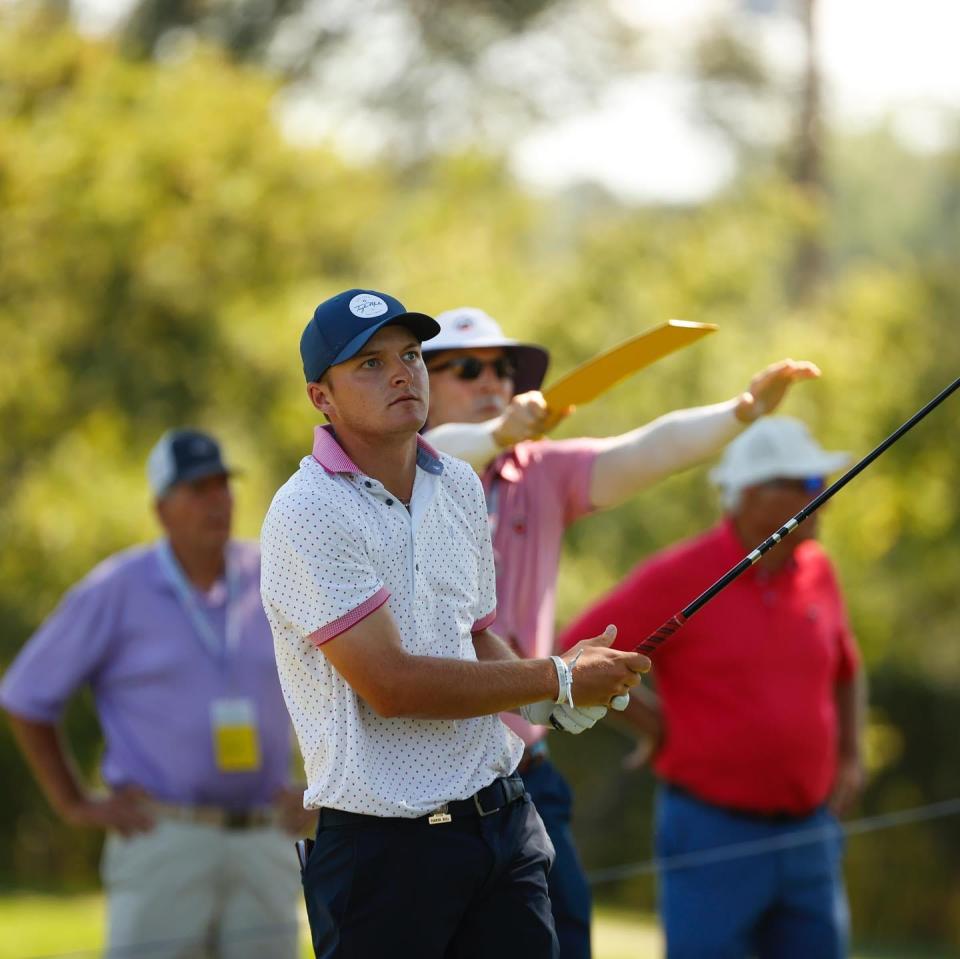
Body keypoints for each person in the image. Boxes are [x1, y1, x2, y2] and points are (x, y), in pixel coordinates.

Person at [258, 288, 651, 959]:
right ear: (320, 397)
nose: (402, 373)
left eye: (410, 355)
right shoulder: (307, 510)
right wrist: (554, 677)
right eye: (370, 364)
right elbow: (393, 685)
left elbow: (471, 635)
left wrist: (546, 699)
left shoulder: (460, 484)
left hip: (501, 823)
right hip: (383, 853)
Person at [421, 305, 821, 958]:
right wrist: (496, 431)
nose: (491, 380)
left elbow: (644, 450)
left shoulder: (540, 472)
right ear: (420, 382)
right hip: (423, 781)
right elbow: (430, 455)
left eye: (503, 369)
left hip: (523, 771)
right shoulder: (395, 473)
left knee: (566, 938)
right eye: (467, 368)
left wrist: (740, 412)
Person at [559, 416, 867, 959]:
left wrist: (851, 755)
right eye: (811, 485)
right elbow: (577, 653)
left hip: (810, 835)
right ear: (752, 494)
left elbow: (847, 668)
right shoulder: (683, 573)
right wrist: (651, 722)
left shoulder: (820, 570)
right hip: (710, 829)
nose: (826, 499)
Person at [1, 429, 313, 959]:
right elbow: (26, 696)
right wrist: (75, 804)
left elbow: (346, 677)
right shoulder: (117, 588)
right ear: (161, 508)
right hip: (164, 838)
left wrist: (318, 790)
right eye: (197, 488)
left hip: (267, 834)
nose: (217, 500)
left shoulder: (272, 575)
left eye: (223, 485)